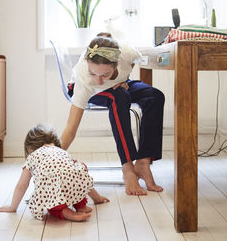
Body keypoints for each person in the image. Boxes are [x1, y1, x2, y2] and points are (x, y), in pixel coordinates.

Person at [61, 34, 165, 196]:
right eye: (93, 73)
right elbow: (70, 129)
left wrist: (125, 79)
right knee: (120, 97)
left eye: (104, 75)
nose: (99, 80)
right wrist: (49, 159)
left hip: (118, 86)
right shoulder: (86, 80)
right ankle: (128, 170)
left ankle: (143, 163)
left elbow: (131, 64)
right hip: (91, 92)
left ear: (116, 64)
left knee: (155, 96)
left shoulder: (128, 53)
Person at [0, 124, 109, 222]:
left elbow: (22, 186)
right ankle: (81, 206)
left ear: (30, 148)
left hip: (56, 189)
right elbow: (84, 182)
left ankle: (65, 212)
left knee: (49, 202)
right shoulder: (61, 151)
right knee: (76, 180)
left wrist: (13, 207)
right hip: (75, 182)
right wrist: (97, 198)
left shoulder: (32, 157)